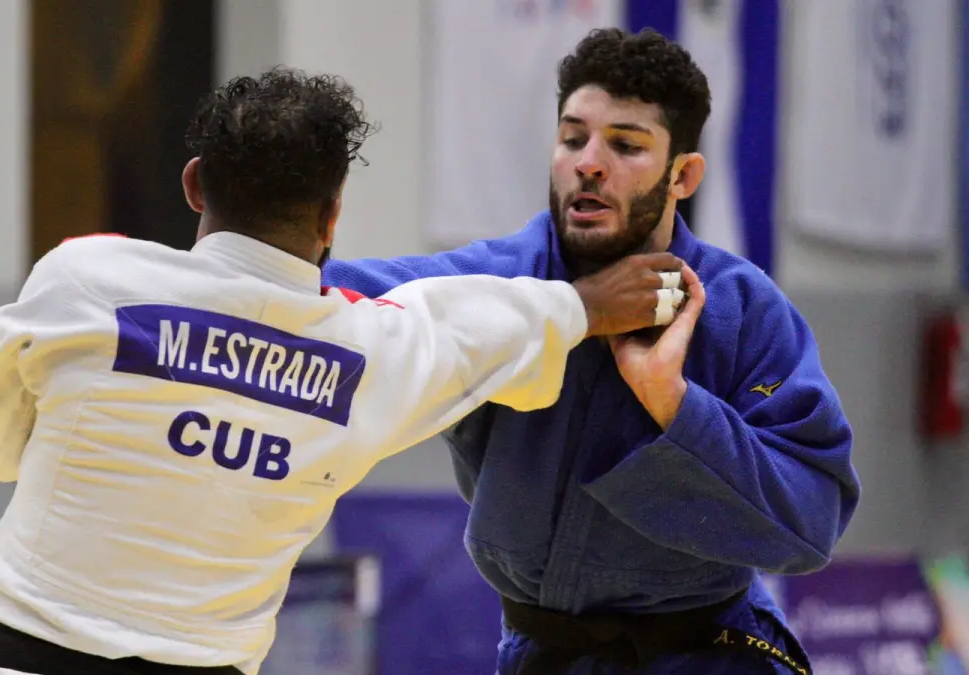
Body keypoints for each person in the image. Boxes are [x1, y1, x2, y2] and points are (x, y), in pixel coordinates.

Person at [0, 68, 696, 675]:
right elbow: (482, 322)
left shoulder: (87, 276)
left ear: (195, 184)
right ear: (333, 215)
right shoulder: (375, 353)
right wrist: (588, 304)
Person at [321, 28, 860, 675]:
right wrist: (237, 265)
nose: (590, 163)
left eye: (626, 145)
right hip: (544, 653)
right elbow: (332, 297)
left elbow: (811, 521)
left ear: (683, 175)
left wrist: (675, 405)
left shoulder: (740, 308)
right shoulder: (501, 285)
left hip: (706, 656)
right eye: (573, 138)